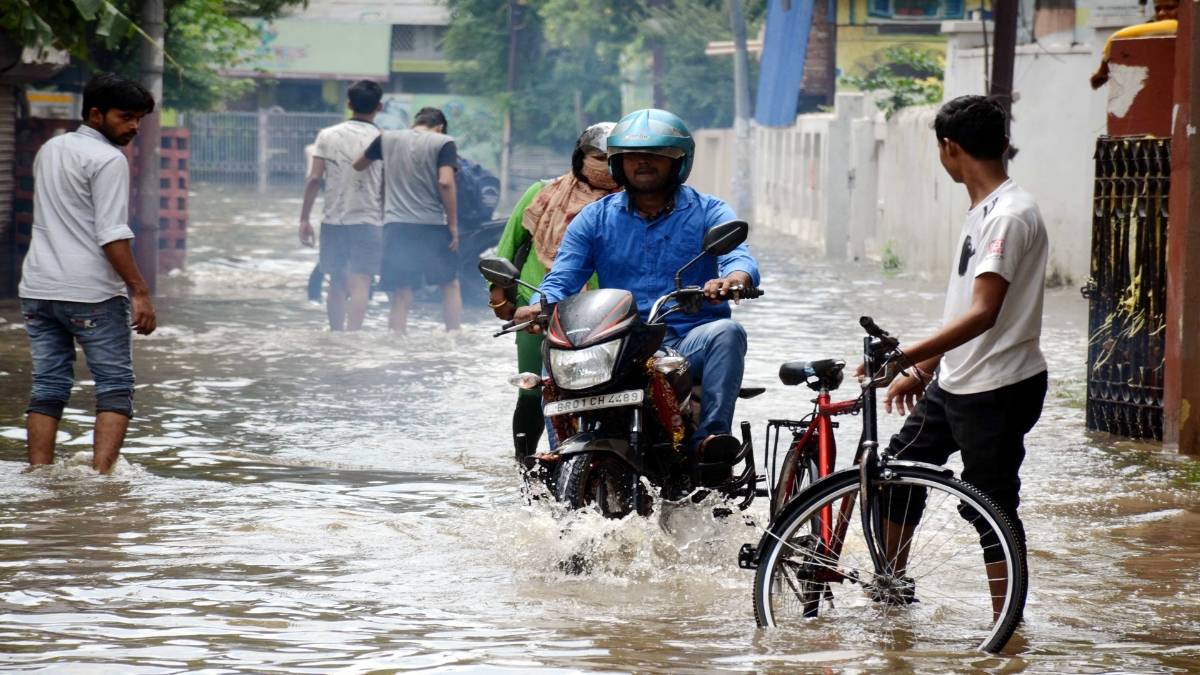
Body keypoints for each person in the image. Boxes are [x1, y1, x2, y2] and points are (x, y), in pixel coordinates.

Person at [868, 95, 1048, 611]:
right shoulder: (983, 210)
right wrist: (924, 370)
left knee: (989, 504)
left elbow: (984, 313)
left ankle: (1006, 623)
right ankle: (892, 590)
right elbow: (964, 309)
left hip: (998, 385)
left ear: (949, 148)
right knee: (899, 469)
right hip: (958, 380)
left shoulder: (1010, 215)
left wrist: (902, 357)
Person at [512, 108, 760, 462]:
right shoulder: (594, 218)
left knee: (727, 332)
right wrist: (542, 305)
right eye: (633, 157)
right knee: (555, 350)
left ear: (679, 162)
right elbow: (564, 276)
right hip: (617, 340)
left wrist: (734, 279)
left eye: (656, 156)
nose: (643, 163)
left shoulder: (709, 211)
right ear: (619, 164)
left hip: (687, 342)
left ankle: (710, 440)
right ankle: (563, 451)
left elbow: (739, 257)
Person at [18, 73, 158, 474]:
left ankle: (39, 475)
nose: (133, 126)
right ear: (95, 114)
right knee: (115, 387)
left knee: (48, 386)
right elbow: (112, 235)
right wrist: (140, 291)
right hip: (91, 292)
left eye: (139, 119)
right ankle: (101, 485)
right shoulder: (109, 159)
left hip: (39, 289)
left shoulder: (52, 148)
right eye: (125, 117)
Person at [489, 123, 618, 460]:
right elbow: (505, 252)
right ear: (580, 157)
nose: (604, 164)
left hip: (607, 313)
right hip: (539, 312)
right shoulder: (541, 193)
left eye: (613, 158)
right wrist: (502, 301)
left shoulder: (631, 206)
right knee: (533, 390)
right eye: (597, 157)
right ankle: (527, 467)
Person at [353, 107, 462, 334]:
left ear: (415, 122)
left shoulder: (387, 138)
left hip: (397, 226)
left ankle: (397, 344)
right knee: (449, 285)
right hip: (432, 224)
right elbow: (445, 181)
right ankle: (454, 338)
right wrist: (452, 225)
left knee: (401, 292)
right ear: (440, 126)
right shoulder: (444, 142)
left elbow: (359, 164)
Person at [299, 80, 385, 331]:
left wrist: (304, 219)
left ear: (349, 104)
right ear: (379, 106)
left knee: (335, 281)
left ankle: (336, 335)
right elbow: (386, 185)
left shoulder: (327, 135)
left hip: (333, 219)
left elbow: (314, 178)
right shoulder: (383, 139)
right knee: (362, 283)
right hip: (369, 220)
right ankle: (353, 337)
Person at [1090, 0, 1178, 89]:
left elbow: (1116, 37)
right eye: (1157, 9)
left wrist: (1103, 69)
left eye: (1170, 8)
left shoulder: (1179, 25)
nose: (1161, 13)